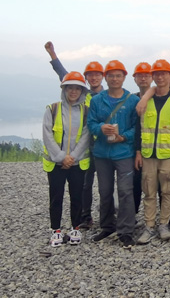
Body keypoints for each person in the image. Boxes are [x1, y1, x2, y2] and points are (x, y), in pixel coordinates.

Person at [44, 41, 103, 230]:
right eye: (90, 75)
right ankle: (84, 217)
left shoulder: (107, 96)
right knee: (84, 184)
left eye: (97, 74)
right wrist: (53, 55)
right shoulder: (79, 92)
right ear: (86, 78)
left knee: (102, 185)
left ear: (102, 77)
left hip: (99, 146)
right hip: (81, 149)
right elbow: (64, 75)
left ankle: (106, 217)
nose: (94, 77)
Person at [135, 59, 170, 244]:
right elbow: (138, 127)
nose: (160, 77)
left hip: (168, 155)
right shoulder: (145, 100)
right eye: (156, 74)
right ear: (153, 76)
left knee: (168, 191)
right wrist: (138, 151)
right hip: (148, 155)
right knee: (149, 192)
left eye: (163, 73)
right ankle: (149, 226)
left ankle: (164, 225)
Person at [87, 60, 140, 249]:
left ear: (124, 77)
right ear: (105, 77)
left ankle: (126, 230)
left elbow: (137, 127)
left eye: (118, 76)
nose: (115, 79)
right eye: (111, 76)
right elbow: (91, 123)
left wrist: (123, 137)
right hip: (102, 153)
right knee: (105, 191)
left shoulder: (132, 101)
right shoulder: (96, 100)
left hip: (124, 152)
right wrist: (101, 128)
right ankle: (107, 226)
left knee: (125, 191)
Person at [42, 71, 91, 247]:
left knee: (77, 196)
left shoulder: (86, 111)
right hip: (56, 163)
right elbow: (47, 135)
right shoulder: (52, 109)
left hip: (77, 163)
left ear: (82, 91)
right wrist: (62, 157)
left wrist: (73, 157)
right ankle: (55, 229)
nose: (73, 91)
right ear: (64, 89)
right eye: (70, 88)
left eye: (77, 88)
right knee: (56, 196)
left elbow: (86, 136)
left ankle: (75, 227)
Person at [131, 62, 152, 215]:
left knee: (159, 184)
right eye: (140, 76)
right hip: (136, 147)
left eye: (146, 75)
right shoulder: (131, 99)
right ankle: (132, 215)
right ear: (135, 79)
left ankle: (166, 217)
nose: (143, 78)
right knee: (135, 183)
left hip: (155, 148)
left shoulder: (159, 97)